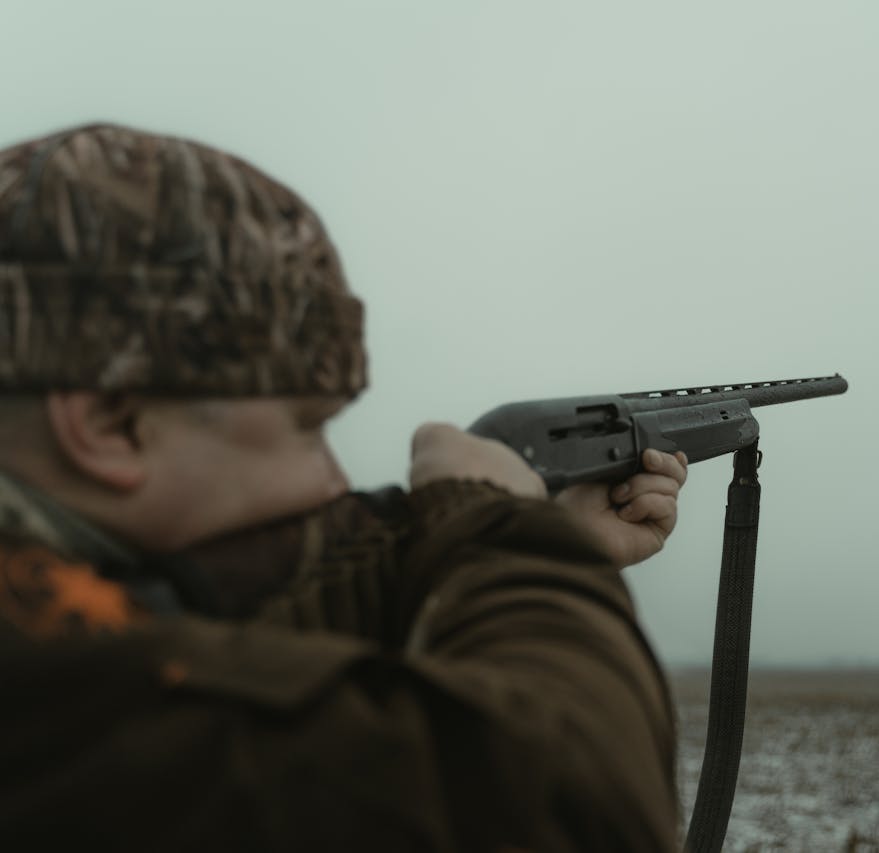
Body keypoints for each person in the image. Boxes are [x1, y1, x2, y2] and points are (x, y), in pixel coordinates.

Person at [0, 123, 689, 851]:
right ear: (113, 423)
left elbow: (236, 619)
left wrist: (543, 537)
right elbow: (573, 802)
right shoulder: (84, 703)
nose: (334, 478)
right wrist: (507, 536)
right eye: (308, 427)